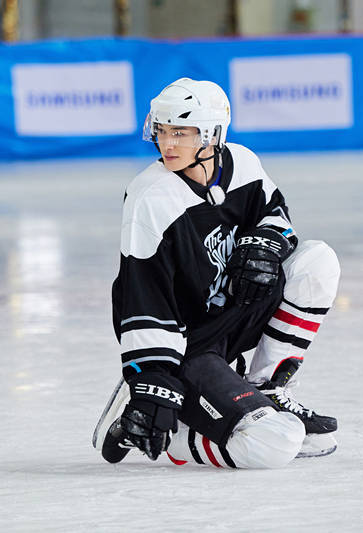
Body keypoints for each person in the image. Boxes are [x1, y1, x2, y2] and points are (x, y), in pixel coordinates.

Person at [101, 78, 341, 469]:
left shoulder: (242, 163)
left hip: (232, 315)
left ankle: (268, 386)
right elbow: (142, 294)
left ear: (213, 135)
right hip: (187, 346)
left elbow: (276, 217)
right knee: (273, 445)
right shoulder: (151, 197)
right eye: (161, 131)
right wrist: (153, 384)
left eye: (181, 132)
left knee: (317, 260)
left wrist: (265, 242)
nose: (168, 144)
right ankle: (176, 438)